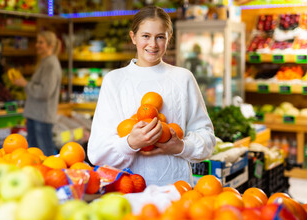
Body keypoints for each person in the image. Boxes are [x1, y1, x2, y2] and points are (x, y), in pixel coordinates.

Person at [87, 6, 216, 186]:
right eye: (145, 36)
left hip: (177, 192)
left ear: (168, 38)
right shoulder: (114, 81)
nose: (153, 44)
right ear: (133, 37)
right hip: (128, 191)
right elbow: (96, 153)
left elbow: (208, 139)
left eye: (160, 37)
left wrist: (180, 147)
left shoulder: (183, 78)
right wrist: (130, 142)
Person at [12, 31, 62, 156]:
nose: (37, 45)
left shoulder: (50, 64)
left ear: (50, 45)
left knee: (45, 151)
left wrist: (25, 84)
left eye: (41, 42)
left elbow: (45, 91)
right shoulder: (45, 62)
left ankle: (50, 174)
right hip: (36, 115)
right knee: (34, 152)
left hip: (42, 116)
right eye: (37, 42)